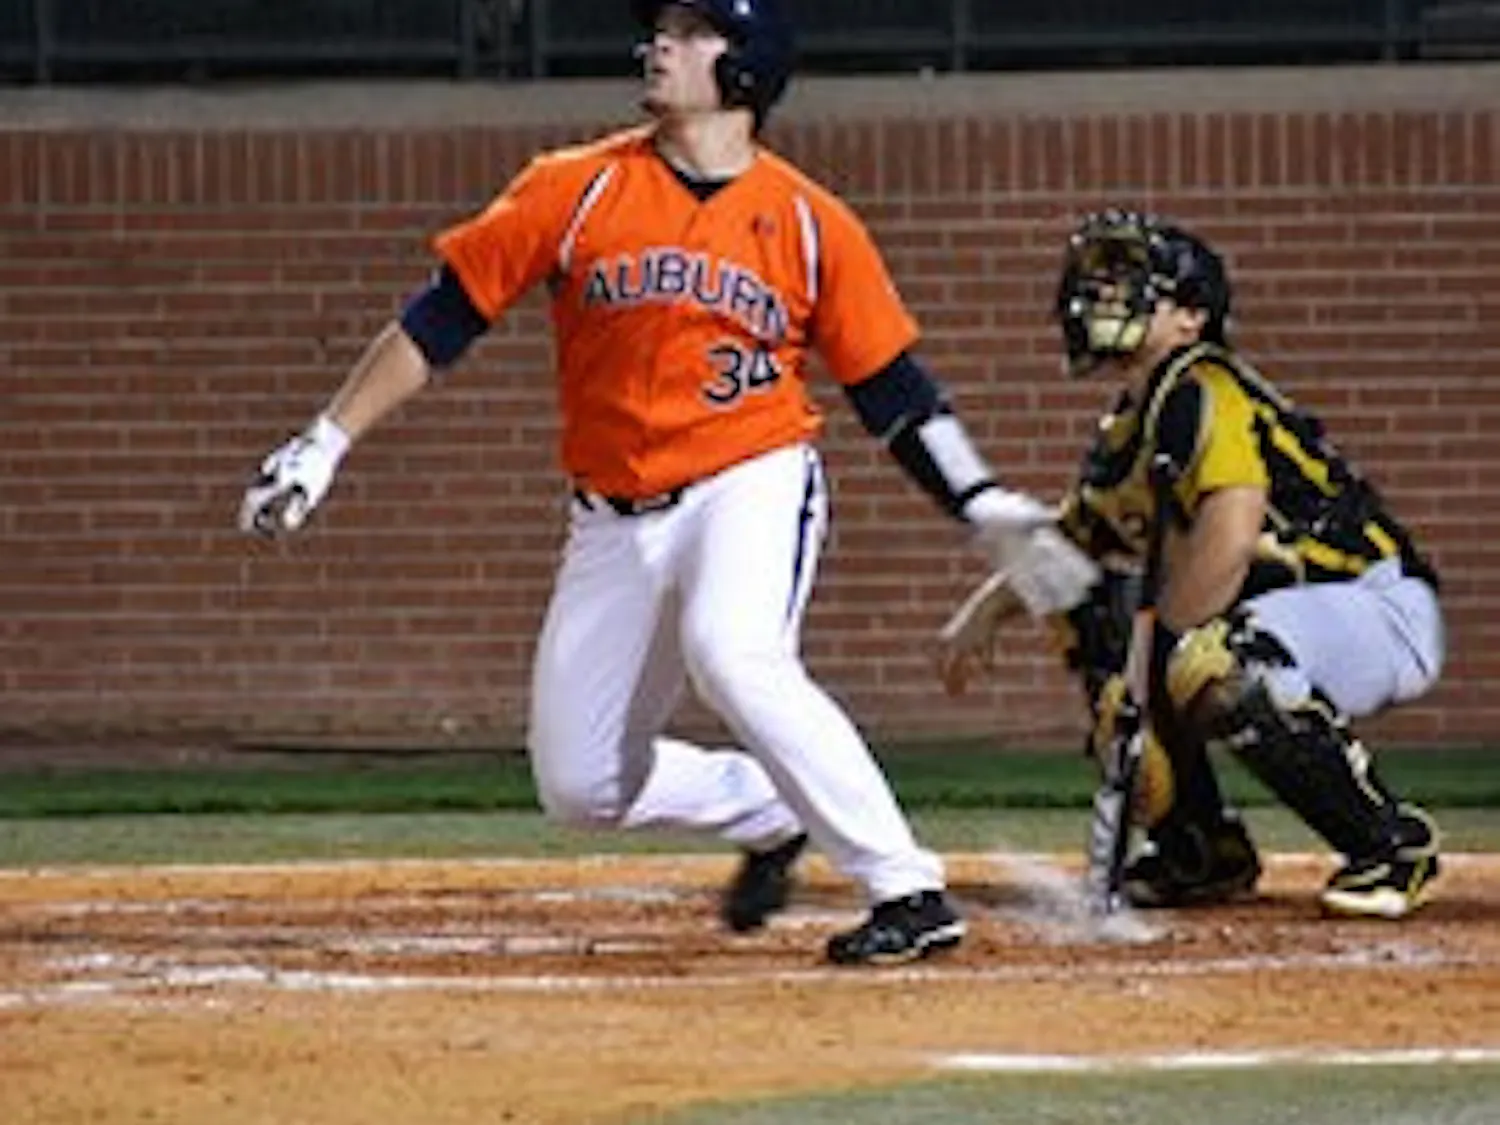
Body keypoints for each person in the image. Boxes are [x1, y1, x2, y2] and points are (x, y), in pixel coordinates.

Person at [236, 0, 1096, 964]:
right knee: (579, 784)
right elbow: (440, 320)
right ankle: (771, 804)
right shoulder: (574, 187)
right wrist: (326, 439)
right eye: (662, 31)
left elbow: (894, 392)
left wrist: (976, 497)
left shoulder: (812, 223)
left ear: (745, 69)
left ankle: (906, 885)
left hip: (751, 477)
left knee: (733, 652)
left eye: (689, 34)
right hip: (611, 513)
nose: (659, 47)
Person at [942, 208, 1445, 919]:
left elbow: (1231, 535)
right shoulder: (1132, 422)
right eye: (1102, 283)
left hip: (1371, 603)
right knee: (1094, 614)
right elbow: (1071, 546)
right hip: (1288, 608)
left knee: (1201, 657)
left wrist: (1148, 672)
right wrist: (986, 609)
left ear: (1191, 318)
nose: (1105, 298)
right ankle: (1201, 851)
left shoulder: (1201, 384)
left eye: (1133, 285)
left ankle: (1391, 844)